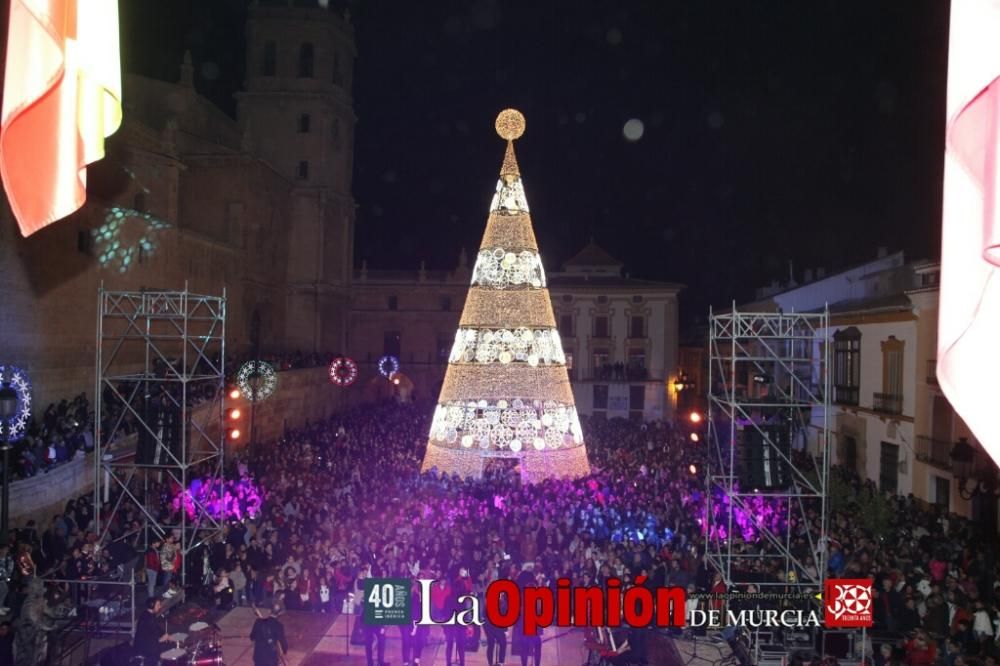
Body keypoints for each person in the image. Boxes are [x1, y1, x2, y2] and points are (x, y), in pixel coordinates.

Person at [133, 597, 171, 664]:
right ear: (151, 605)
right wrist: (160, 640)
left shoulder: (149, 615)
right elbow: (145, 638)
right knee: (168, 649)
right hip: (144, 647)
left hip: (150, 644)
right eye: (158, 605)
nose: (160, 607)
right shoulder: (146, 619)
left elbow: (157, 628)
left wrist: (165, 634)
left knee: (169, 645)